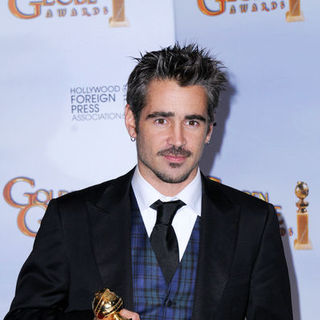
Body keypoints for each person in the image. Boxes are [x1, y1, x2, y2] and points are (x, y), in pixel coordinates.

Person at [5, 44, 293, 320]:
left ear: (209, 129)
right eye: (160, 120)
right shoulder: (71, 218)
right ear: (132, 121)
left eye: (192, 122)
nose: (177, 140)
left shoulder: (254, 222)